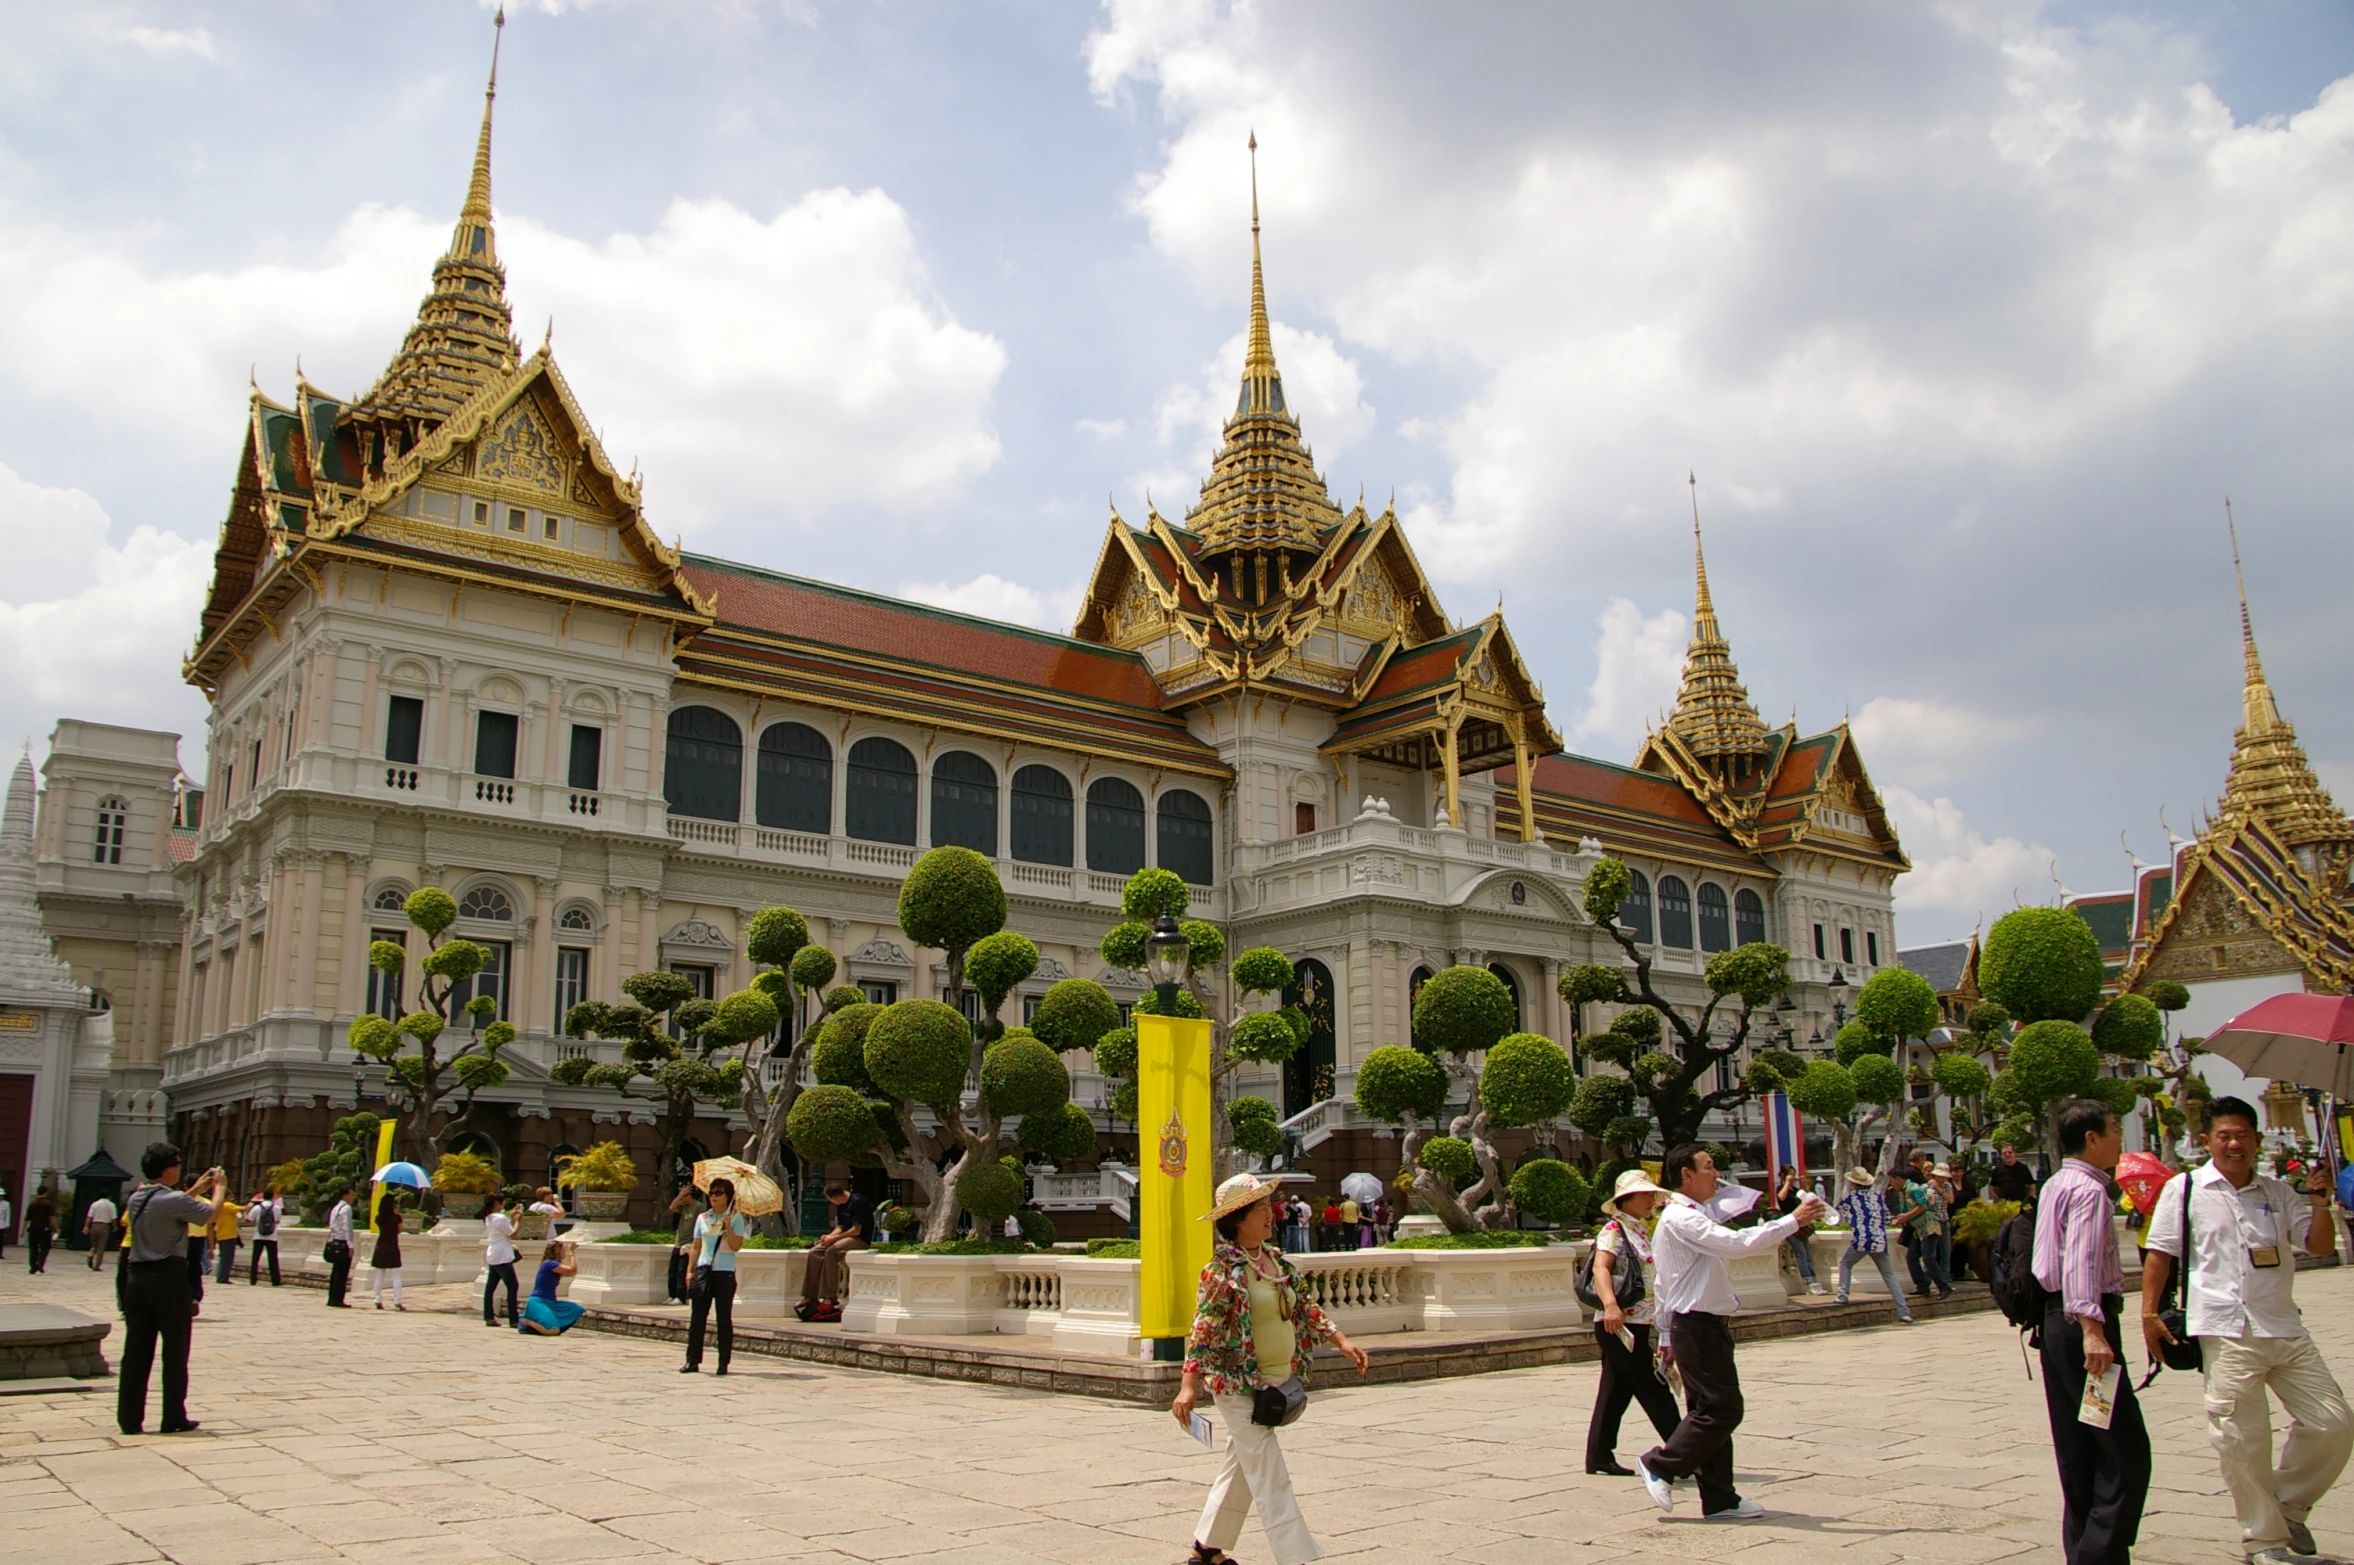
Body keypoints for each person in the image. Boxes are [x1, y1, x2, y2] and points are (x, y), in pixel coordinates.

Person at [2144, 1095, 2349, 1563]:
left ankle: (2288, 1505)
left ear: (2257, 1140)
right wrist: (2149, 1316)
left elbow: (2317, 1246)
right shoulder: (2187, 1189)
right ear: (2206, 1141)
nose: (2234, 1144)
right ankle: (2265, 1540)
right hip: (2224, 1328)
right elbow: (2160, 1254)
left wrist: (2319, 1201)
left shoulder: (2278, 1193)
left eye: (2242, 1135)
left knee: (2333, 1422)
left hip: (2282, 1324)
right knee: (2242, 1438)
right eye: (2224, 1135)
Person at [1171, 1172, 1369, 1565]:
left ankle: (1205, 1548)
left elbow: (1305, 1307)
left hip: (1277, 1379)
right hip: (1237, 1385)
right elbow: (1202, 1329)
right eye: (1260, 1208)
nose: (1270, 1214)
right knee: (1269, 1471)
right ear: (1237, 1219)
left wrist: (1341, 1340)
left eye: (1268, 1206)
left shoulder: (1274, 1261)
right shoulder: (1222, 1270)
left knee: (1243, 1466)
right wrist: (1187, 1386)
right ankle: (1297, 1557)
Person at [1634, 1143, 1829, 1521]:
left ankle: (1720, 1498)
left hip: (1699, 1324)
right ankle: (1661, 1464)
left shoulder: (1692, 1215)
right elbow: (1736, 1245)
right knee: (1723, 1409)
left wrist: (1667, 1337)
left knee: (1709, 1410)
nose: (1715, 1174)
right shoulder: (1681, 1218)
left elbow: (1664, 1285)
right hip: (1697, 1323)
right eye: (1707, 1167)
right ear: (1685, 1175)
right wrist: (1793, 1220)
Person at [2033, 1098, 2152, 1565]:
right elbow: (2080, 1261)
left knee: (2078, 1446)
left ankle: (2084, 1549)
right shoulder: (2087, 1191)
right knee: (2125, 1449)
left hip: (2053, 1322)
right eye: (2115, 1130)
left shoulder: (2055, 1184)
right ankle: (2098, 1555)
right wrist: (2093, 1330)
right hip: (2085, 1325)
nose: (2120, 1140)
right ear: (2092, 1139)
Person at [116, 1142, 227, 1436]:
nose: (180, 1167)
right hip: (168, 1277)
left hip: (137, 1279)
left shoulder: (138, 1198)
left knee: (136, 1351)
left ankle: (129, 1418)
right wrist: (218, 1189)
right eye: (177, 1163)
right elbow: (210, 1215)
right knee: (175, 1349)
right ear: (168, 1169)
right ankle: (173, 1415)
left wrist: (196, 1189)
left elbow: (168, 1207)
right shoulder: (172, 1201)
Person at [1586, 1169, 1684, 1476]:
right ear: (1626, 1199)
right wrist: (1611, 1305)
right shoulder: (1614, 1230)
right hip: (1619, 1323)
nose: (1651, 1200)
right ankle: (1686, 1452)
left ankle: (1599, 1455)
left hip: (1638, 1323)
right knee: (1653, 1388)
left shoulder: (1641, 1230)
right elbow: (1601, 1269)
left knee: (1615, 1391)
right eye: (1645, 1194)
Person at [681, 1177, 750, 1374]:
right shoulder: (703, 1218)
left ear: (728, 1197)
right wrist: (690, 1270)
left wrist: (727, 1226)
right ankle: (692, 1361)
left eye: (719, 1193)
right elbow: (696, 1246)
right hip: (704, 1270)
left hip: (724, 1273)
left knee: (723, 1319)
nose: (713, 1197)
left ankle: (723, 1362)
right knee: (697, 1318)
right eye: (711, 1192)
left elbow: (736, 1247)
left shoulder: (736, 1218)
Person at [1832, 1169, 1914, 1322]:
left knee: (1845, 1264)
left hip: (1861, 1240)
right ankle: (1903, 1311)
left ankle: (1842, 1295)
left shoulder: (1851, 1198)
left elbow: (1836, 1218)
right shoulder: (1878, 1198)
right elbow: (1888, 1218)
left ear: (1854, 1183)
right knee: (1889, 1276)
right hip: (1879, 1241)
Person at [797, 1181, 873, 1323]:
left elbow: (856, 1230)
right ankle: (809, 1295)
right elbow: (841, 1226)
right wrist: (830, 1236)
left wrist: (835, 1239)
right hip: (843, 1236)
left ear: (834, 1197)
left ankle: (830, 1295)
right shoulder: (841, 1205)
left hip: (858, 1239)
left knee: (832, 1251)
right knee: (814, 1252)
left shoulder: (858, 1202)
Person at [1775, 1165, 1825, 1295]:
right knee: (1801, 1254)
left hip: (1802, 1226)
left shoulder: (1796, 1190)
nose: (1793, 1177)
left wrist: (1803, 1184)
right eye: (1790, 1174)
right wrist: (1786, 1182)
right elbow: (1781, 1197)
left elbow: (1807, 1199)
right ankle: (1809, 1283)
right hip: (1790, 1225)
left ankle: (1815, 1282)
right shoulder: (1781, 1188)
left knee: (1808, 1255)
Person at [520, 1240, 584, 1335]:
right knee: (552, 1330)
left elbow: (571, 1273)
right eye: (563, 1250)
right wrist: (571, 1252)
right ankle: (526, 1321)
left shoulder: (554, 1265)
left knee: (577, 1309)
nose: (564, 1252)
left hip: (551, 1302)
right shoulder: (549, 1264)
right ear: (557, 1251)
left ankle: (546, 1326)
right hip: (539, 1301)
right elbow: (572, 1269)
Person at [482, 1191, 521, 1328]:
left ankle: (488, 1316)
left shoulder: (489, 1217)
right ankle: (514, 1319)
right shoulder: (500, 1218)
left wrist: (511, 1214)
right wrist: (517, 1221)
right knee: (512, 1286)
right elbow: (513, 1234)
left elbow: (502, 1221)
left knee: (490, 1287)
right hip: (502, 1255)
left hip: (493, 1254)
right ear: (497, 1203)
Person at [663, 1183, 706, 1304]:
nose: (682, 1198)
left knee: (682, 1270)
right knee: (673, 1271)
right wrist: (680, 1194)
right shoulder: (683, 1207)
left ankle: (680, 1296)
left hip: (689, 1244)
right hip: (678, 1242)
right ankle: (671, 1294)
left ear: (690, 1195)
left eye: (684, 1195)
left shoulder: (699, 1207)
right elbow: (672, 1207)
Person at [371, 1191, 405, 1310]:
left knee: (379, 1274)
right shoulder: (396, 1218)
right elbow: (399, 1230)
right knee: (396, 1275)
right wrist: (397, 1215)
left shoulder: (379, 1218)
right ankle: (397, 1300)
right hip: (392, 1246)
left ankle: (377, 1299)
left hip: (381, 1246)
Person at [324, 1183, 356, 1307]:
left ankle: (332, 1297)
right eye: (351, 1194)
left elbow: (332, 1225)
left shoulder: (335, 1208)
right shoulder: (346, 1209)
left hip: (335, 1240)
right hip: (343, 1242)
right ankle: (338, 1298)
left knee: (335, 1271)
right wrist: (350, 1244)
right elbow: (347, 1227)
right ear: (345, 1195)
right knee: (342, 1272)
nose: (352, 1197)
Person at [245, 1188, 282, 1285]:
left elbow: (248, 1220)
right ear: (272, 1196)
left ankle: (253, 1279)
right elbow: (277, 1221)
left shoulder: (257, 1208)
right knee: (273, 1259)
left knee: (255, 1259)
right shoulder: (277, 1208)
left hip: (258, 1235)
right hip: (272, 1236)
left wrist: (247, 1212)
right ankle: (275, 1280)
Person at [1988, 1141, 2038, 1206]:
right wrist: (1998, 1199)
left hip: (2021, 1206)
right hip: (2004, 1206)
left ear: (2014, 1153)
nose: (2007, 1154)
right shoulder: (1997, 1169)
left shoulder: (2023, 1168)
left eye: (2010, 1152)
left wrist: (2027, 1200)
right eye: (2004, 1153)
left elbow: (2032, 1186)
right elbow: (1992, 1187)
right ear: (2002, 1156)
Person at [211, 1192, 241, 1285]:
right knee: (227, 1258)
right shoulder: (227, 1205)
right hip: (229, 1234)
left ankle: (221, 1276)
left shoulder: (218, 1207)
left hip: (221, 1234)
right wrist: (251, 1205)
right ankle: (223, 1277)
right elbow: (242, 1209)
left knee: (223, 1257)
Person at [84, 1190, 118, 1271]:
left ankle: (91, 1254)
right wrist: (115, 1227)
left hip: (94, 1225)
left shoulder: (94, 1204)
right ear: (108, 1196)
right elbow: (113, 1218)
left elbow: (89, 1216)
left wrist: (86, 1227)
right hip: (104, 1226)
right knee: (101, 1247)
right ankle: (97, 1266)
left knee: (94, 1245)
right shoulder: (111, 1205)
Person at [25, 1184, 55, 1274]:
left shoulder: (32, 1203)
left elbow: (27, 1218)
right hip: (44, 1229)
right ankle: (39, 1262)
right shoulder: (48, 1204)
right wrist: (55, 1228)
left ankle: (32, 1266)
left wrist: (22, 1230)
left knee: (33, 1248)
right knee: (45, 1247)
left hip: (33, 1228)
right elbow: (51, 1218)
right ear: (46, 1192)